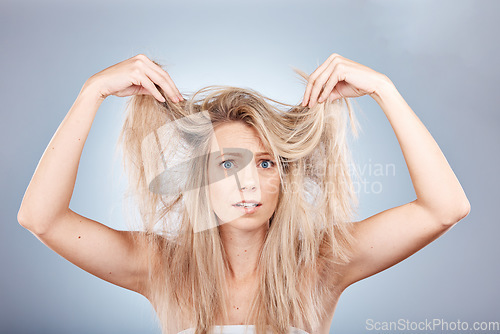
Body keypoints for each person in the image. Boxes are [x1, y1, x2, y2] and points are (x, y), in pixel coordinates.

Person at [17, 53, 470, 334]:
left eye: (266, 162)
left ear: (284, 178)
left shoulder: (322, 262)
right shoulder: (161, 265)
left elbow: (445, 208)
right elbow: (42, 219)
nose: (248, 182)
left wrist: (383, 90)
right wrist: (91, 92)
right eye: (227, 164)